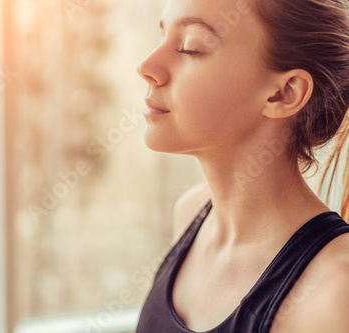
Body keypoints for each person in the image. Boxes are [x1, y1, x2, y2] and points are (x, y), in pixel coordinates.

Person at [135, 0, 349, 332]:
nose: (147, 66)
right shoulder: (191, 213)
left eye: (191, 48)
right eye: (161, 36)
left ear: (284, 93)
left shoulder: (336, 290)